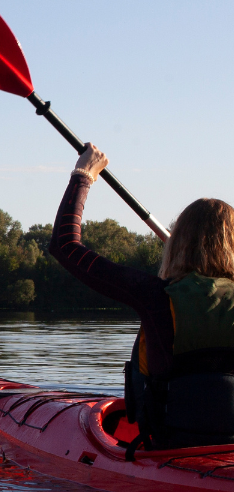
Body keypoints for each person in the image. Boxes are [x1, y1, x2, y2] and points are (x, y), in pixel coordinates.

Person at [50, 144, 234, 449]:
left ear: (177, 244)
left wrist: (83, 175)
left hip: (169, 445)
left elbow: (66, 245)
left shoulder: (154, 295)